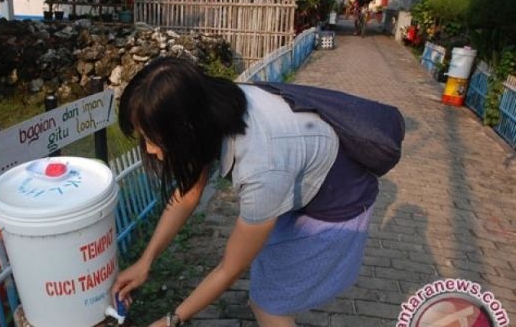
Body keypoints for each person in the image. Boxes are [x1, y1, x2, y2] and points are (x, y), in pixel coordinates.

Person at [112, 57, 379, 327]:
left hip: (337, 201)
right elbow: (190, 192)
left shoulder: (260, 169)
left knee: (269, 307)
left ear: (186, 131)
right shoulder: (212, 105)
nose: (148, 150)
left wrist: (171, 320)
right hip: (301, 177)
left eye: (152, 139)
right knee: (268, 293)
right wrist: (146, 260)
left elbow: (230, 269)